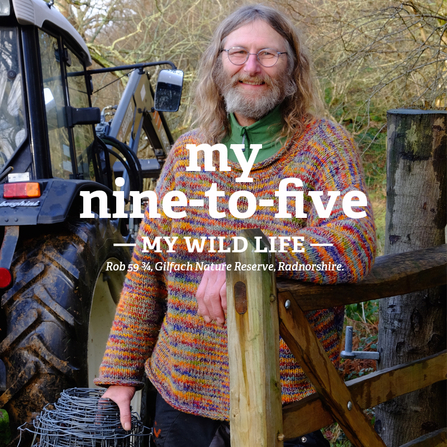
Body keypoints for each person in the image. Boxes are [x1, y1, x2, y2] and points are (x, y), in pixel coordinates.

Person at [94, 4, 376, 447]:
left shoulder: (325, 148)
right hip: (180, 392)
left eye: (268, 54)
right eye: (238, 53)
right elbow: (146, 270)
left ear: (293, 66)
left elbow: (352, 243)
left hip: (283, 400)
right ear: (218, 63)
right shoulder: (187, 155)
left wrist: (248, 260)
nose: (251, 67)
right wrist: (119, 376)